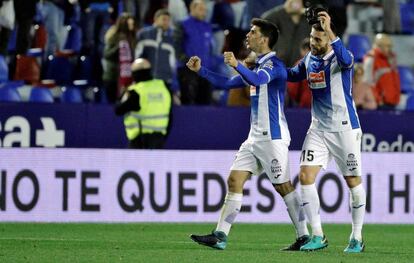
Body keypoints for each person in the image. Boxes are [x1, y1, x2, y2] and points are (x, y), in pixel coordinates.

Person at [187, 18, 309, 251]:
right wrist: (200, 70)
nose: (248, 35)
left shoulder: (274, 66)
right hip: (254, 138)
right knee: (234, 180)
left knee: (283, 186)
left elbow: (258, 80)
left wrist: (237, 64)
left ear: (264, 39)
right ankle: (220, 235)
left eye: (252, 32)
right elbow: (227, 84)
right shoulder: (256, 66)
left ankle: (304, 236)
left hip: (273, 137)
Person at [287, 11, 366, 253]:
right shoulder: (309, 58)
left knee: (352, 182)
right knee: (305, 177)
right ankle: (318, 235)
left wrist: (329, 29)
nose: (313, 42)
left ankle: (356, 237)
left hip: (344, 129)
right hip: (318, 129)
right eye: (312, 37)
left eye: (318, 39)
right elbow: (291, 75)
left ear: (329, 39)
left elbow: (347, 61)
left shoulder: (341, 57)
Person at [114, 58, 171, 149]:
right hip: (159, 139)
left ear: (135, 74)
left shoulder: (135, 92)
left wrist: (122, 94)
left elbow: (118, 110)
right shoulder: (163, 87)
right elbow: (170, 115)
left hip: (139, 141)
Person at [174, 0, 214, 105]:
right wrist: (186, 61)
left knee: (205, 103)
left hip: (205, 71)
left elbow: (209, 50)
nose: (204, 12)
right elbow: (176, 47)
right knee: (188, 103)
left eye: (205, 10)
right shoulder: (182, 24)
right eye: (201, 9)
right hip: (187, 70)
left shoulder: (207, 27)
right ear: (192, 9)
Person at [135, 9, 178, 101]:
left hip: (164, 81)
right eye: (164, 19)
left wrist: (172, 81)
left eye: (168, 20)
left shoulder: (171, 39)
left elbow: (173, 63)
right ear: (155, 19)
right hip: (146, 81)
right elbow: (137, 57)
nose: (166, 22)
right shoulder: (144, 34)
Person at [262, 0, 311, 67]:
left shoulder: (308, 20)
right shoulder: (278, 17)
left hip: (299, 67)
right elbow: (264, 21)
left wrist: (306, 11)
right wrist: (284, 9)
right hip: (277, 66)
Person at [103, 13, 137, 103]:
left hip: (130, 78)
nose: (132, 26)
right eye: (129, 24)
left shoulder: (135, 38)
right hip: (113, 76)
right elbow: (107, 55)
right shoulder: (113, 37)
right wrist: (120, 46)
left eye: (132, 24)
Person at [362, 33, 401, 110]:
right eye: (387, 46)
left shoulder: (391, 58)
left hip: (393, 102)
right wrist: (378, 100)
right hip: (380, 104)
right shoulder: (371, 58)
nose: (390, 48)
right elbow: (368, 82)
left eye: (390, 46)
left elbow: (395, 80)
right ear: (379, 45)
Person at [286, 38, 312, 108]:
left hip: (305, 106)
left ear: (305, 49)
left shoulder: (300, 65)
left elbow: (292, 90)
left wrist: (298, 100)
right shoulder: (324, 63)